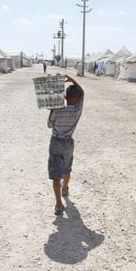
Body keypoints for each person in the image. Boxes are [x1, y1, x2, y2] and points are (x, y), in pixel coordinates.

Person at [47, 74, 84, 216]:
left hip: (55, 141)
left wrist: (52, 108)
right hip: (68, 142)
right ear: (77, 98)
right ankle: (66, 188)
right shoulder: (77, 110)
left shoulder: (57, 109)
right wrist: (70, 78)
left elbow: (49, 125)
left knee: (56, 175)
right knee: (66, 169)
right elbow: (82, 92)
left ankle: (58, 205)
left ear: (65, 97)